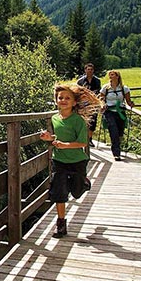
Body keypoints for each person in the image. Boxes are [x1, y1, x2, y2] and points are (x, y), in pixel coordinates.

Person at [40, 82, 95, 238]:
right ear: (56, 100)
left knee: (76, 192)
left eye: (67, 98)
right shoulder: (54, 118)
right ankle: (61, 224)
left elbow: (83, 142)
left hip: (77, 160)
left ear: (74, 102)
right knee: (59, 192)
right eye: (60, 97)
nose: (63, 100)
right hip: (59, 161)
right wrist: (49, 138)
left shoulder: (78, 120)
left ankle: (84, 183)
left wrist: (65, 145)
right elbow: (57, 138)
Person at [100, 69, 135, 161]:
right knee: (113, 130)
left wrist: (131, 104)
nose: (111, 76)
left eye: (113, 75)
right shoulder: (106, 88)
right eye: (110, 75)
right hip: (109, 111)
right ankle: (116, 153)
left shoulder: (124, 88)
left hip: (120, 111)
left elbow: (128, 101)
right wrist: (103, 104)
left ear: (117, 76)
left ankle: (117, 147)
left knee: (120, 132)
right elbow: (101, 99)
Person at [76, 62, 102, 150]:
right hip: (83, 104)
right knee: (83, 121)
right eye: (88, 69)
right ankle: (83, 138)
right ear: (85, 70)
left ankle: (89, 139)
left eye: (91, 70)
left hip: (93, 103)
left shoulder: (97, 81)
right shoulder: (80, 81)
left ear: (93, 71)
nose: (89, 71)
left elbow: (98, 92)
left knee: (93, 122)